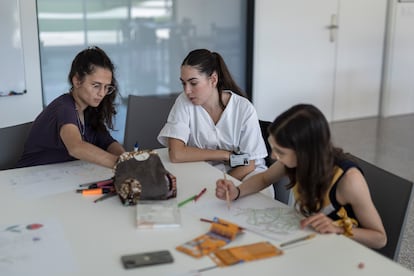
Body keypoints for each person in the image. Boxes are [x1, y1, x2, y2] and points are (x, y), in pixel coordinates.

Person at [215, 104, 387, 249]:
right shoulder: (295, 162)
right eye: (273, 148)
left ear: (304, 152)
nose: (274, 156)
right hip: (309, 242)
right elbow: (264, 179)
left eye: (280, 151)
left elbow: (379, 238)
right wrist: (236, 191)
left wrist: (338, 229)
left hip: (341, 251)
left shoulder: (349, 181)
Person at [157, 49, 267, 181]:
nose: (187, 90)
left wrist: (221, 185)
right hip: (206, 173)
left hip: (247, 175)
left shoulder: (244, 109)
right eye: (183, 83)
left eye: (193, 83)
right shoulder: (184, 102)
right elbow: (176, 154)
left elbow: (248, 164)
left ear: (213, 80)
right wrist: (224, 155)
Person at [16, 46, 125, 169]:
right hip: (28, 178)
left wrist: (126, 158)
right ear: (77, 81)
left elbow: (108, 143)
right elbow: (76, 147)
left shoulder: (89, 110)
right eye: (96, 85)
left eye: (106, 87)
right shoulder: (64, 107)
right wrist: (121, 164)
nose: (101, 93)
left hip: (58, 177)